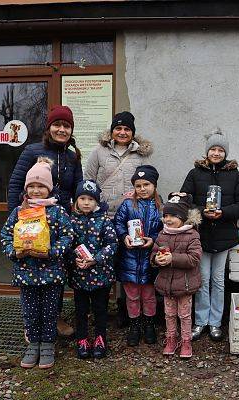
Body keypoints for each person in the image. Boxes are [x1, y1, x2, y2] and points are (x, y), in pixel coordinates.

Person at [7, 105, 82, 337]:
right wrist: (15, 220)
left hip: (59, 222)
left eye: (66, 126)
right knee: (30, 271)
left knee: (56, 270)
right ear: (49, 128)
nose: (62, 129)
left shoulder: (72, 156)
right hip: (31, 221)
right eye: (57, 125)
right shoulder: (32, 151)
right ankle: (31, 322)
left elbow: (77, 189)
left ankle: (54, 317)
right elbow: (15, 185)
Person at [0, 158, 74, 369]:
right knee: (30, 311)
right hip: (25, 272)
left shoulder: (57, 212)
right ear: (26, 188)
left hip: (51, 272)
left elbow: (68, 236)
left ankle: (48, 345)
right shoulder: (19, 212)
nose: (36, 190)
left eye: (41, 186)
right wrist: (14, 252)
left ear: (49, 189)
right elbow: (5, 234)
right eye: (31, 186)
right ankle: (33, 344)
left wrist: (51, 252)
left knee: (50, 311)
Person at [84, 111, 154, 329]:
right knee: (105, 263)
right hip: (104, 217)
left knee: (127, 264)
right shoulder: (98, 152)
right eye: (119, 128)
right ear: (112, 131)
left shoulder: (140, 155)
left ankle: (126, 309)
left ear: (132, 133)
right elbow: (88, 181)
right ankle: (103, 309)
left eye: (127, 129)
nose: (122, 132)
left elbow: (145, 184)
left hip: (131, 220)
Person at [180, 130, 239, 341]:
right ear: (207, 152)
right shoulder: (195, 174)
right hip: (200, 236)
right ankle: (200, 321)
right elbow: (184, 200)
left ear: (225, 153)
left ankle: (215, 322)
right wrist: (201, 212)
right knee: (202, 279)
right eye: (213, 149)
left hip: (224, 235)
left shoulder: (234, 174)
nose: (217, 153)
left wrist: (224, 213)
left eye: (221, 150)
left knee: (218, 280)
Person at [113, 165, 163, 347]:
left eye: (146, 184)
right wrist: (123, 236)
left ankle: (149, 324)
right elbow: (117, 223)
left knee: (149, 296)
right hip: (129, 260)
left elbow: (165, 230)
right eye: (138, 185)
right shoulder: (127, 204)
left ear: (154, 185)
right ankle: (134, 325)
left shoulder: (161, 206)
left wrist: (154, 240)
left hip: (150, 260)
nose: (142, 189)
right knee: (132, 296)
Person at [69, 180, 118, 359]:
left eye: (90, 199)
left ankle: (100, 338)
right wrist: (76, 260)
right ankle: (82, 339)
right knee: (80, 310)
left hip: (101, 275)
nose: (86, 202)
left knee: (100, 310)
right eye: (82, 198)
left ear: (97, 201)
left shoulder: (104, 220)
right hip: (79, 275)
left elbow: (112, 244)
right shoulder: (71, 220)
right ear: (76, 200)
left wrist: (95, 260)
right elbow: (67, 244)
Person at [151, 192, 203, 358]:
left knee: (185, 315)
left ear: (183, 217)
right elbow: (153, 254)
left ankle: (186, 340)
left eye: (173, 215)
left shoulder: (192, 235)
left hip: (185, 284)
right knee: (169, 314)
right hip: (167, 284)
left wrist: (172, 258)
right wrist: (157, 259)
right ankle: (171, 338)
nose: (168, 219)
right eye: (166, 215)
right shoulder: (162, 234)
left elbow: (194, 258)